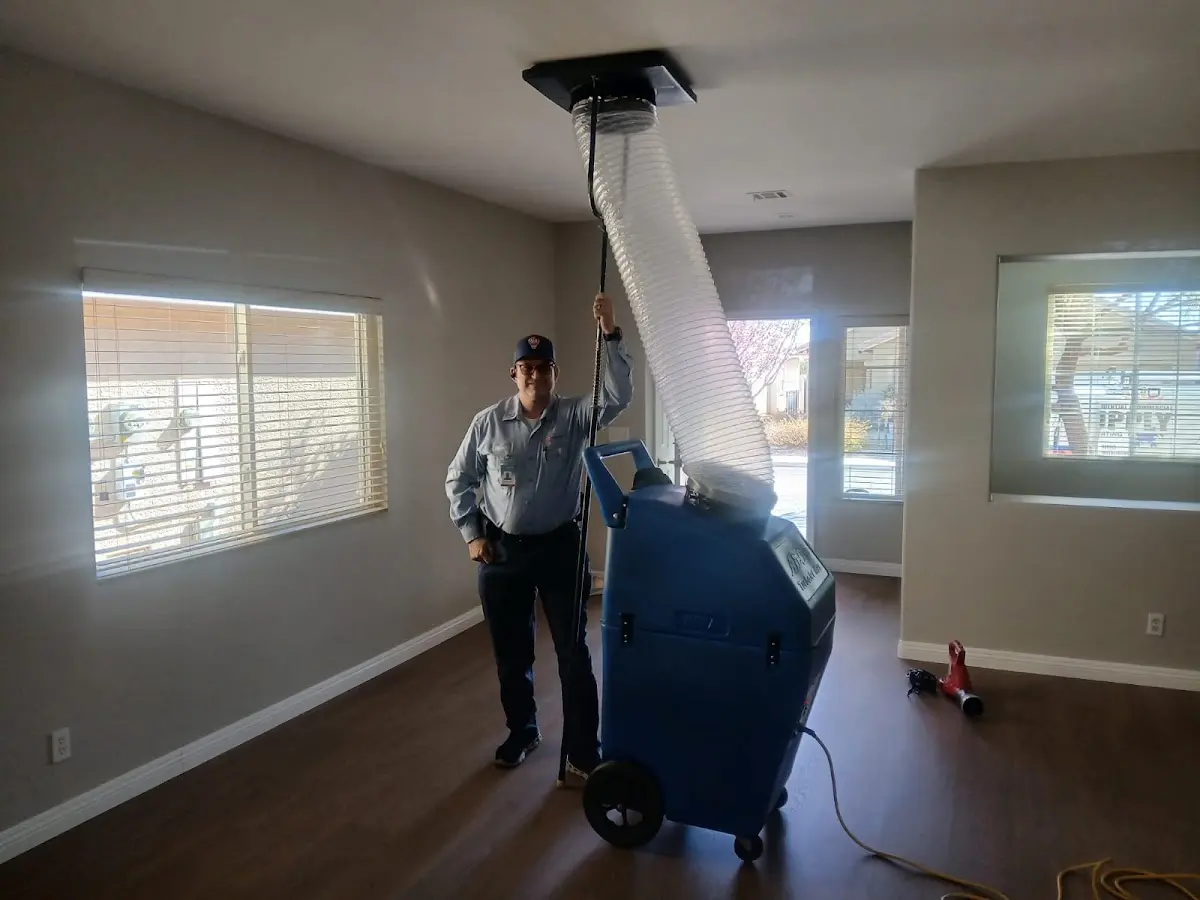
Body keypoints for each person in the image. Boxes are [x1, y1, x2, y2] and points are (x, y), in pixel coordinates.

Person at [446, 293, 634, 781]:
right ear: (514, 374)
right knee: (512, 653)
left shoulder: (574, 417)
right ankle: (523, 730)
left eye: (544, 366)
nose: (535, 374)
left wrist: (609, 333)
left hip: (559, 550)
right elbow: (458, 480)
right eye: (526, 366)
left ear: (555, 373)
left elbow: (617, 396)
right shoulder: (487, 424)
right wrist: (472, 533)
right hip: (502, 552)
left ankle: (580, 751)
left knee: (574, 654)